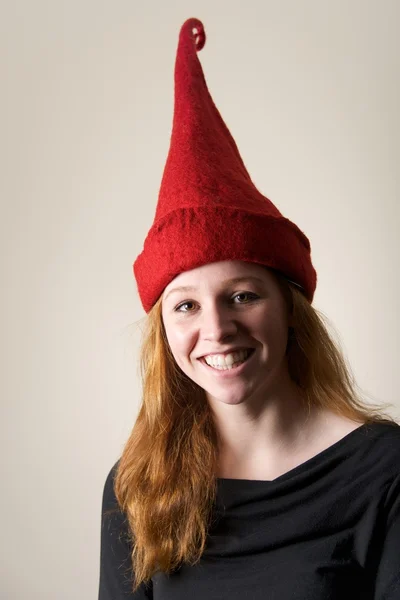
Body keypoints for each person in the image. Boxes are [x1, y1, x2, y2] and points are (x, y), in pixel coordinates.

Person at [98, 18, 400, 600]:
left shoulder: (383, 471)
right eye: (185, 305)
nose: (215, 329)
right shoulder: (134, 487)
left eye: (242, 295)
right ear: (163, 331)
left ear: (290, 310)